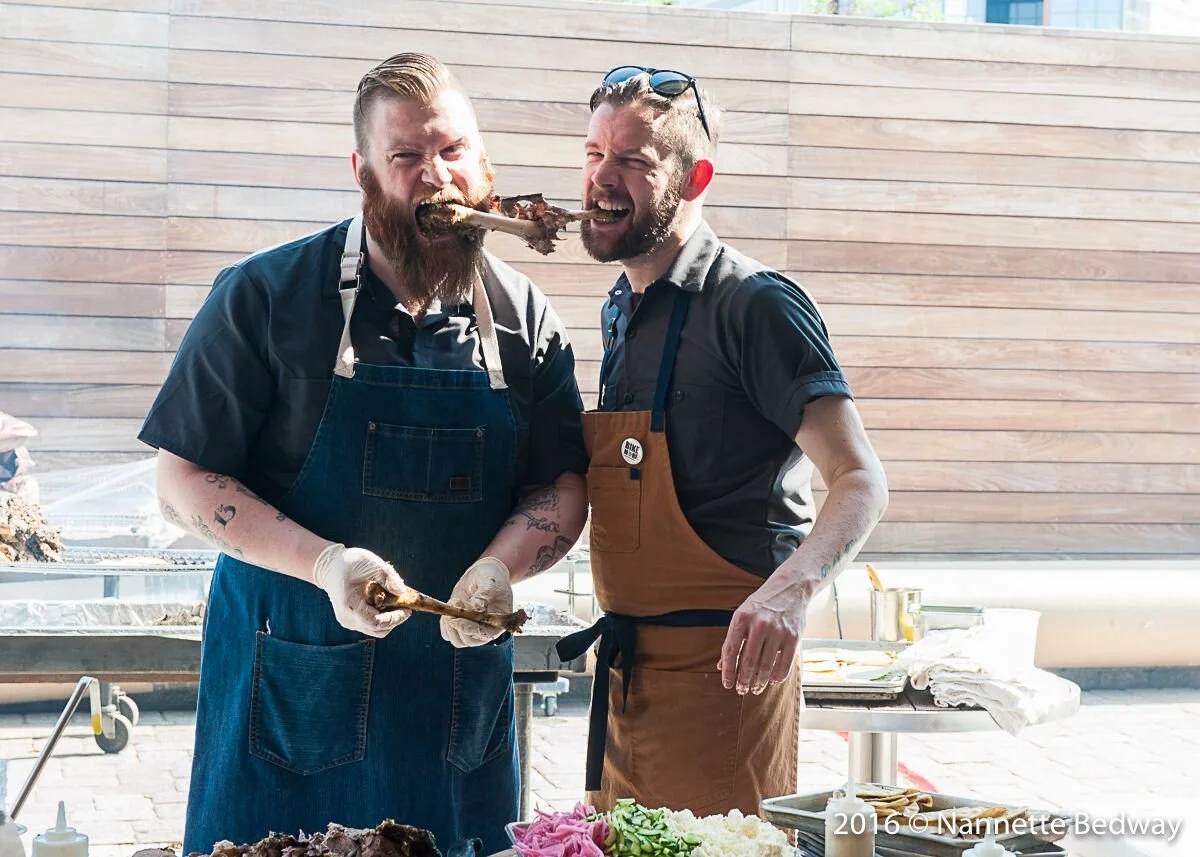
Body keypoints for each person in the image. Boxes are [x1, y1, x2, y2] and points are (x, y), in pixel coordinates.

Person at [137, 53, 589, 856]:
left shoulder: (526, 321)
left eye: (453, 150)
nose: (436, 176)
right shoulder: (265, 297)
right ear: (363, 173)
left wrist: (502, 566)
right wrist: (324, 566)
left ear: (485, 163)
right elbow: (180, 480)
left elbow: (559, 486)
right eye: (406, 156)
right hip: (289, 699)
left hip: (453, 715)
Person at [557, 67, 890, 818]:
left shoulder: (756, 304)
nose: (601, 178)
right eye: (593, 154)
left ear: (695, 178)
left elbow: (860, 479)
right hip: (629, 680)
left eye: (633, 161)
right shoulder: (620, 308)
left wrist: (792, 592)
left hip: (729, 679)